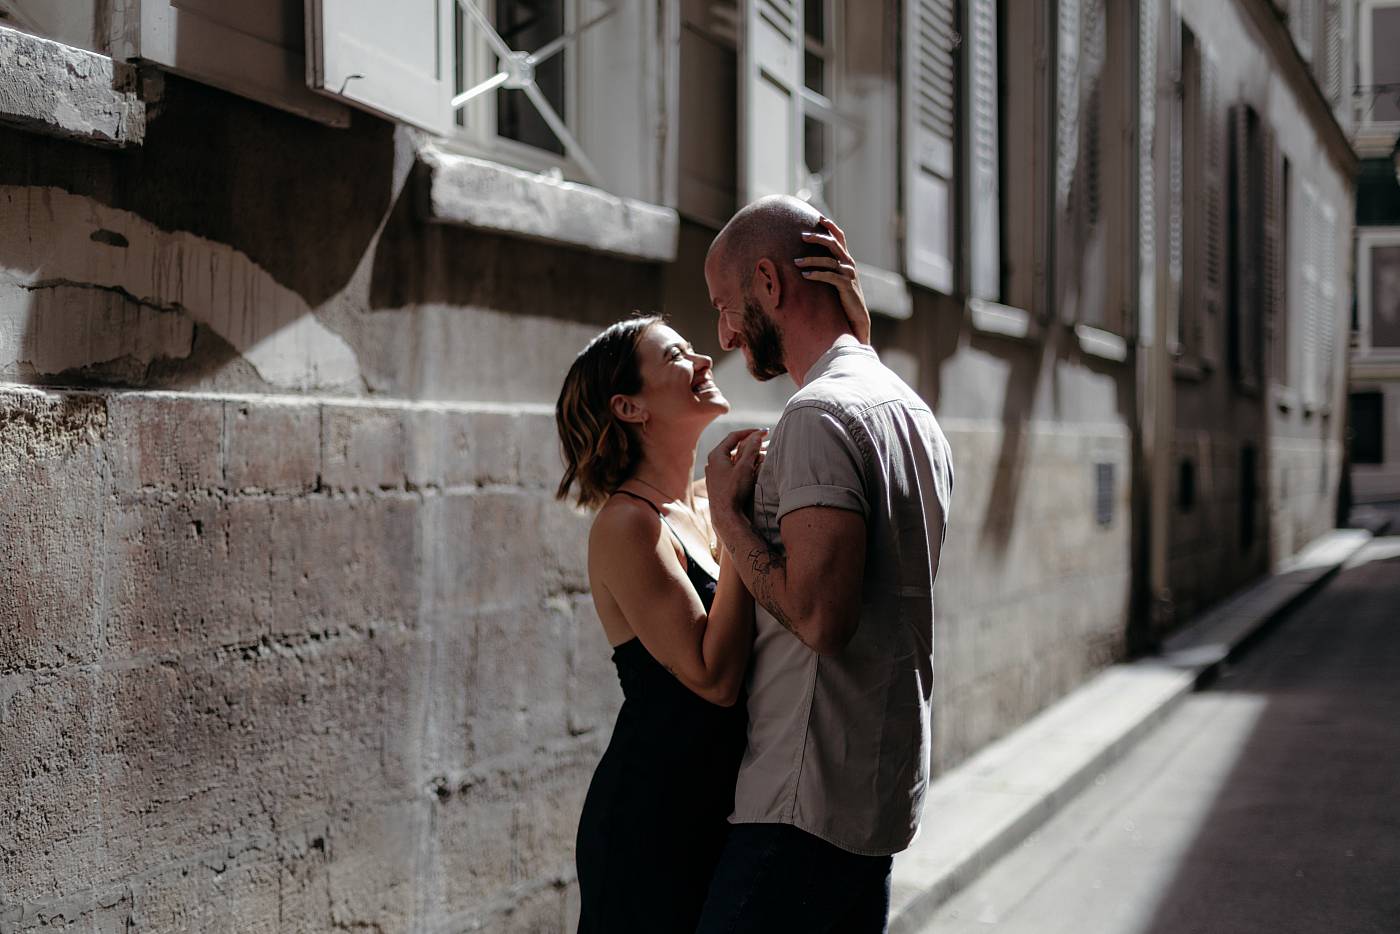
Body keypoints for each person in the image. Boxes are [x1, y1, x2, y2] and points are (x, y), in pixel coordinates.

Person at [697, 196, 955, 934]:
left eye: (725, 304)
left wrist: (725, 517)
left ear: (770, 285)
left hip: (798, 803)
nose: (723, 332)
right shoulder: (912, 411)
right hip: (871, 795)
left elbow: (820, 617)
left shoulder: (816, 417)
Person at [556, 315, 760, 933]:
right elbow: (713, 676)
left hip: (718, 809)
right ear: (629, 407)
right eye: (677, 355)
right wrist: (734, 518)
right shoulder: (628, 524)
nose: (702, 361)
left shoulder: (705, 500)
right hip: (650, 823)